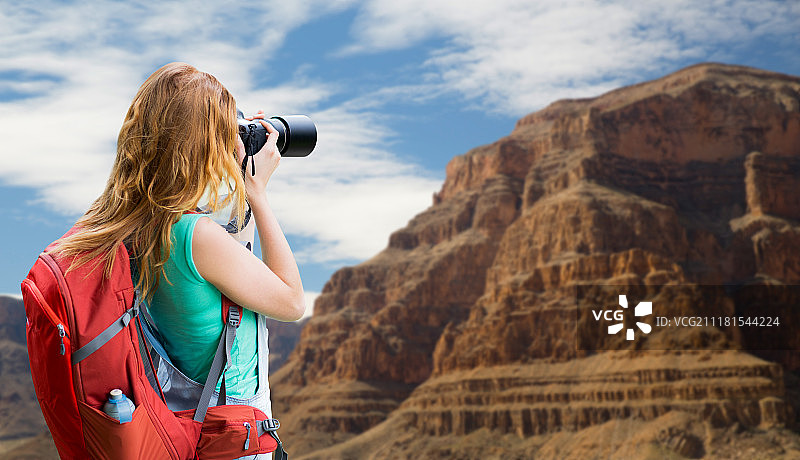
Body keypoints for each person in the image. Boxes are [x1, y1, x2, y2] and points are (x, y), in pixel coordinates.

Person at [51, 62, 305, 458]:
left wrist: (240, 180)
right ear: (201, 142)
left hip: (183, 428)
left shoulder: (135, 227)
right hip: (232, 440)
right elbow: (291, 302)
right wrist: (258, 193)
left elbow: (235, 270)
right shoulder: (198, 237)